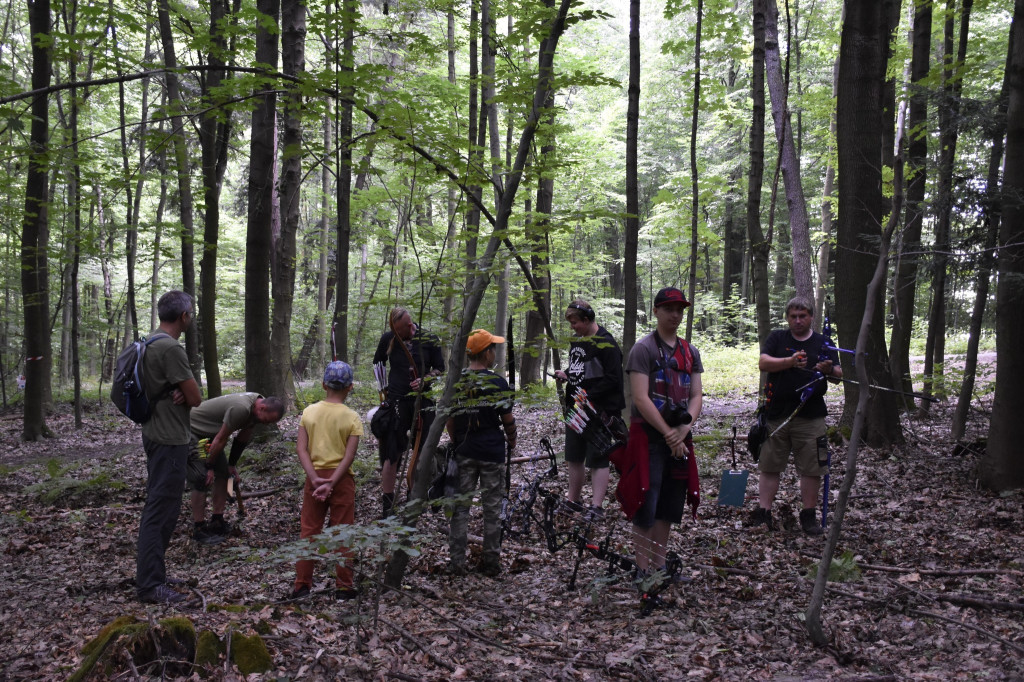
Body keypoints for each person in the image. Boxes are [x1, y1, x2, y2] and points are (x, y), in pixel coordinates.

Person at [624, 287, 703, 585]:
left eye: (679, 309)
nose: (675, 314)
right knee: (647, 499)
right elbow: (641, 398)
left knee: (669, 504)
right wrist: (669, 434)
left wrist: (683, 429)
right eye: (669, 308)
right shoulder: (643, 349)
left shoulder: (690, 351)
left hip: (680, 437)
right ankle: (641, 569)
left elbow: (696, 396)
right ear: (656, 311)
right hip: (648, 437)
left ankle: (660, 566)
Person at [753, 296, 841, 535]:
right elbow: (763, 363)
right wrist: (789, 361)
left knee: (811, 468)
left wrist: (829, 369)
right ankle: (763, 513)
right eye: (793, 316)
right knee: (770, 466)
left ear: (811, 317)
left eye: (803, 316)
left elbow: (838, 375)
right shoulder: (777, 339)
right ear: (787, 318)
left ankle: (809, 515)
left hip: (811, 415)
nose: (798, 320)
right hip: (777, 414)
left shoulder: (823, 341)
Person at [136, 290, 202, 604]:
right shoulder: (170, 348)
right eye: (192, 312)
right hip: (169, 437)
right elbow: (196, 398)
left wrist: (180, 390)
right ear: (184, 316)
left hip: (156, 432)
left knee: (165, 509)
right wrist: (184, 391)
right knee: (159, 510)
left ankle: (155, 574)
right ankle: (150, 585)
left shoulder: (149, 342)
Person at [446, 329, 516, 577]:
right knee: (492, 509)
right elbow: (507, 419)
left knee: (460, 508)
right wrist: (512, 439)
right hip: (491, 451)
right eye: (493, 349)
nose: (495, 353)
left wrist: (457, 443)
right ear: (486, 353)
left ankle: (456, 562)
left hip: (465, 451)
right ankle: (491, 563)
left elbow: (450, 421)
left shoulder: (457, 381)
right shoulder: (497, 382)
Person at [289, 361, 362, 600]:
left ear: (323, 385)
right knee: (343, 531)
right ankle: (344, 586)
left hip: (314, 478)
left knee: (309, 530)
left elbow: (301, 450)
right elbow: (349, 456)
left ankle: (301, 586)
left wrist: (316, 479)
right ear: (350, 387)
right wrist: (331, 483)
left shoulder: (309, 412)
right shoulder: (352, 417)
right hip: (341, 481)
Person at [552, 299, 624, 521]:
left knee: (598, 457)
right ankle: (573, 500)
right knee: (574, 456)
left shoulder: (606, 343)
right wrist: (567, 375)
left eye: (575, 322)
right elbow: (579, 369)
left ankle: (597, 506)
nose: (573, 327)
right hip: (576, 408)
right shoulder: (578, 342)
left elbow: (614, 379)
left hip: (599, 411)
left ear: (587, 319)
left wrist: (589, 397)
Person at [372, 307, 445, 518]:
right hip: (396, 402)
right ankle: (388, 505)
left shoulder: (429, 338)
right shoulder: (389, 339)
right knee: (391, 453)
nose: (405, 331)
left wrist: (426, 379)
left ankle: (415, 497)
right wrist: (384, 390)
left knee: (421, 452)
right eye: (398, 329)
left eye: (405, 326)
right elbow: (378, 363)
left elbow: (440, 367)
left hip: (422, 403)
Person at [185, 393, 286, 543]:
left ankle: (217, 520)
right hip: (193, 431)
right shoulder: (241, 409)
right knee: (202, 477)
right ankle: (199, 529)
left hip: (211, 436)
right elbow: (221, 439)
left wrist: (231, 465)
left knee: (225, 474)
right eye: (266, 420)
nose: (265, 424)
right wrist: (209, 466)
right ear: (262, 408)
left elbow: (242, 438)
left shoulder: (257, 408)